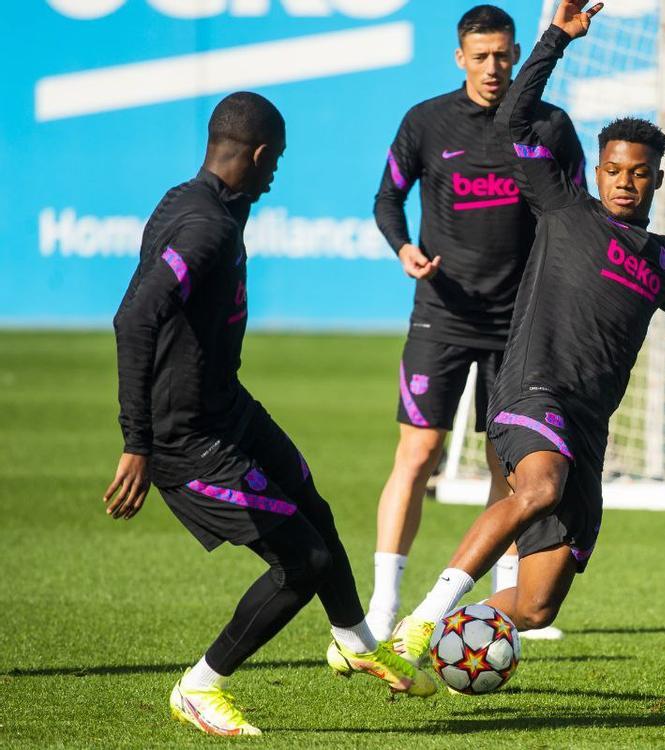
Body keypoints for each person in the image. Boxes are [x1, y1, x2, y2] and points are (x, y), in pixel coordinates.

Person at [389, 0, 665, 672]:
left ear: (658, 177)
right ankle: (420, 621)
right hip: (532, 395)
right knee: (533, 489)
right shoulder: (562, 206)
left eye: (639, 172)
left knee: (536, 607)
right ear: (596, 172)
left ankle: (445, 639)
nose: (625, 181)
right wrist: (556, 39)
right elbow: (514, 118)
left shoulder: (660, 260)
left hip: (586, 429)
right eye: (614, 170)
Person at [105, 91, 433, 738]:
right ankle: (201, 686)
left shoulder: (197, 200)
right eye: (275, 158)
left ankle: (357, 639)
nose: (277, 171)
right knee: (302, 561)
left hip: (228, 408)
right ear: (256, 155)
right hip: (186, 436)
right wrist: (138, 442)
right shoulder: (206, 227)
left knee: (314, 505)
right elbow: (135, 317)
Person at [368, 4, 586, 643]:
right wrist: (403, 247)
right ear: (460, 58)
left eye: (504, 54)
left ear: (518, 54)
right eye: (481, 56)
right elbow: (387, 196)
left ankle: (502, 605)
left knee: (509, 465)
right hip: (440, 319)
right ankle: (384, 603)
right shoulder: (426, 121)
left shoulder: (548, 124)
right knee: (419, 453)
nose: (494, 67)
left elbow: (572, 212)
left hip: (521, 328)